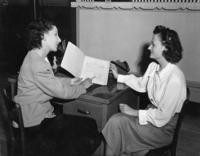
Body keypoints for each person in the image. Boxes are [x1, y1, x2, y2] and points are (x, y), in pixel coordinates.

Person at [14, 19, 101, 156]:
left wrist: (71, 81)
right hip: (36, 122)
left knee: (87, 126)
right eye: (55, 35)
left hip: (36, 114)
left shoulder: (35, 56)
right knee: (86, 129)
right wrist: (83, 86)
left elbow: (51, 81)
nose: (59, 39)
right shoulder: (38, 63)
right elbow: (62, 93)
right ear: (43, 37)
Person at [102, 25, 186, 156]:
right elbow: (141, 84)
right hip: (151, 117)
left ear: (165, 47)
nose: (149, 47)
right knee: (118, 126)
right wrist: (119, 76)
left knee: (116, 122)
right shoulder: (154, 67)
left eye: (153, 44)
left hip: (162, 128)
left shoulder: (175, 78)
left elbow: (162, 117)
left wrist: (134, 112)